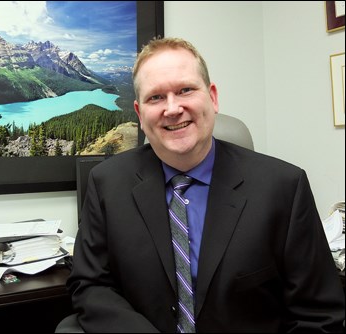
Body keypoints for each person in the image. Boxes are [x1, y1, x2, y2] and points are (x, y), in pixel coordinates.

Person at [66, 37, 345, 333]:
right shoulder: (107, 183)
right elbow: (90, 285)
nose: (172, 109)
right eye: (156, 97)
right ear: (139, 112)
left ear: (212, 97)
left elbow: (319, 316)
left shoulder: (284, 188)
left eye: (185, 90)